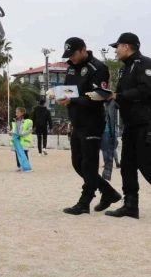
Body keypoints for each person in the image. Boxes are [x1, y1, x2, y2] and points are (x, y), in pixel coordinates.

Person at [56, 37, 121, 215]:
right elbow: (69, 90)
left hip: (92, 122)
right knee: (78, 163)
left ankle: (85, 202)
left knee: (89, 163)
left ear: (83, 49)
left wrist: (73, 100)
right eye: (68, 55)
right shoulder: (71, 67)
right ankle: (108, 192)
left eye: (74, 54)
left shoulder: (98, 68)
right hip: (76, 121)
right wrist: (61, 95)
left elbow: (98, 96)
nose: (71, 58)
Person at [97, 33, 151, 219]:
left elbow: (146, 90)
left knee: (147, 165)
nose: (115, 50)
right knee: (127, 166)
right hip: (130, 125)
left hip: (146, 124)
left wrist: (119, 96)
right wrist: (109, 97)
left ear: (127, 46)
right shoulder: (123, 69)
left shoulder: (145, 64)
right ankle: (130, 205)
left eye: (117, 46)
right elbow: (121, 94)